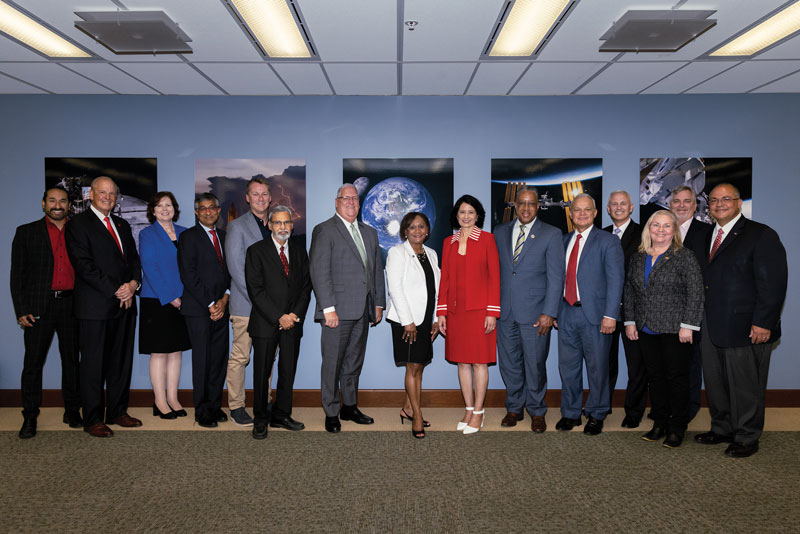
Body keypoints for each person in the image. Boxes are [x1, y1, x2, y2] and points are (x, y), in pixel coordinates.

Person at [694, 183, 787, 458]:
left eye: (726, 199)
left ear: (738, 203)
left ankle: (747, 436)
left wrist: (764, 323)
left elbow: (773, 284)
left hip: (747, 326)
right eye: (714, 200)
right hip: (711, 323)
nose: (719, 204)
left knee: (746, 384)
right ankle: (722, 428)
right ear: (708, 206)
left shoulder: (761, 235)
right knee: (715, 381)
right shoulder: (705, 236)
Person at [66, 176, 142, 438]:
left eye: (112, 193)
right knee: (93, 365)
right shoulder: (77, 224)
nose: (108, 197)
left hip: (125, 304)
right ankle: (93, 418)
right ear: (91, 195)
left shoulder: (121, 224)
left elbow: (133, 260)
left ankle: (118, 411)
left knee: (121, 362)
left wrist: (133, 284)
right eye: (103, 192)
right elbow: (84, 266)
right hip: (95, 307)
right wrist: (117, 289)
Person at [624, 210, 704, 448]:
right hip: (646, 328)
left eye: (667, 226)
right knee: (656, 379)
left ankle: (677, 427)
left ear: (674, 230)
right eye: (656, 225)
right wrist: (630, 321)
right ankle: (659, 423)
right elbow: (629, 291)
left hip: (675, 329)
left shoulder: (684, 256)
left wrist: (688, 325)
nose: (660, 230)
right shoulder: (638, 257)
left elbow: (696, 292)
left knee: (677, 379)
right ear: (649, 228)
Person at [309, 184, 386, 433]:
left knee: (354, 362)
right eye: (346, 198)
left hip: (363, 309)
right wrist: (328, 308)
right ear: (336, 202)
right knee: (332, 363)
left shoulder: (370, 232)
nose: (351, 202)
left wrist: (377, 303)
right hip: (337, 311)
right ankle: (331, 411)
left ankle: (349, 407)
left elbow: (375, 272)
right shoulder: (324, 230)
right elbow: (319, 272)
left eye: (355, 198)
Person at [11, 187, 82, 439]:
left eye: (63, 201)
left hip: (72, 305)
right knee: (33, 364)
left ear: (69, 205)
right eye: (52, 200)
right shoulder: (26, 232)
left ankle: (72, 410)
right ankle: (30, 416)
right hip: (38, 307)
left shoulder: (79, 231)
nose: (57, 205)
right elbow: (17, 276)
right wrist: (21, 310)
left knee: (72, 362)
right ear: (43, 204)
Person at [494, 187, 563, 433]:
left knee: (534, 364)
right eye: (521, 203)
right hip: (505, 312)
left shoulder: (551, 234)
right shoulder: (499, 232)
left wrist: (549, 312)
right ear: (514, 206)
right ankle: (514, 408)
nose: (526, 208)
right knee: (509, 364)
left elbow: (556, 278)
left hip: (536, 314)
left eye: (531, 204)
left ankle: (537, 411)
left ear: (538, 206)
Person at [557, 193, 623, 436]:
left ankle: (597, 413)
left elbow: (616, 280)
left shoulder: (608, 241)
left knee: (597, 368)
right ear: (571, 214)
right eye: (577, 210)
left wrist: (611, 315)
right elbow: (556, 279)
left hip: (595, 315)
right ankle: (571, 413)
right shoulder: (563, 241)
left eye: (587, 210)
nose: (581, 214)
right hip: (565, 313)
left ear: (595, 213)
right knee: (568, 368)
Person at [245, 206, 312, 439]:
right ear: (270, 225)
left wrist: (293, 315)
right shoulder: (256, 251)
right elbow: (255, 290)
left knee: (287, 370)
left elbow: (306, 287)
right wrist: (279, 316)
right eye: (278, 223)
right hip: (266, 322)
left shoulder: (300, 250)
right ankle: (261, 419)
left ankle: (282, 415)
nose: (283, 227)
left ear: (292, 225)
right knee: (262, 373)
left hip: (293, 322)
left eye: (287, 223)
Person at [437, 195, 500, 435]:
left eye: (471, 212)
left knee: (479, 362)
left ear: (478, 216)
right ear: (456, 215)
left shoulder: (487, 239)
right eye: (462, 212)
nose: (466, 216)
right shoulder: (448, 242)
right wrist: (441, 311)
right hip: (455, 312)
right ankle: (468, 407)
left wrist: (492, 312)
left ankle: (480, 412)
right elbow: (445, 280)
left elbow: (495, 277)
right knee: (462, 362)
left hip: (480, 312)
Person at [385, 212, 441, 439]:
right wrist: (408, 321)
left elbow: (437, 289)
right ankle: (417, 415)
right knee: (412, 366)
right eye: (412, 227)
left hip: (426, 318)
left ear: (427, 230)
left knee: (419, 365)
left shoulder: (432, 254)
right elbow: (395, 289)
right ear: (405, 231)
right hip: (406, 321)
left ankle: (407, 408)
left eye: (421, 226)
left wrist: (436, 318)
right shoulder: (397, 253)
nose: (417, 231)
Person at [178, 193, 231, 428]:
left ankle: (214, 405)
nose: (208, 212)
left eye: (212, 208)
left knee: (219, 360)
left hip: (222, 307)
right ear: (197, 212)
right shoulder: (188, 237)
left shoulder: (225, 236)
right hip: (199, 310)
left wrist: (225, 299)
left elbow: (230, 272)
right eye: (203, 208)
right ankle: (201, 410)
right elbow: (189, 275)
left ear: (218, 211)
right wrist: (211, 304)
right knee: (202, 360)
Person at [138, 192, 191, 420]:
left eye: (168, 205)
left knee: (176, 351)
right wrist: (171, 298)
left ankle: (173, 398)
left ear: (174, 208)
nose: (165, 209)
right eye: (160, 205)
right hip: (157, 301)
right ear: (153, 210)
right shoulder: (147, 234)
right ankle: (159, 401)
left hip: (183, 300)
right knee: (159, 353)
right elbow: (150, 269)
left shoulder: (185, 233)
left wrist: (185, 298)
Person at [224, 177, 272, 427]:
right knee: (241, 357)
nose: (261, 198)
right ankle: (236, 405)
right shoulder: (237, 227)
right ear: (247, 197)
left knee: (268, 358)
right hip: (247, 306)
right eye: (256, 194)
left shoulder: (276, 225)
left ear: (270, 196)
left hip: (271, 309)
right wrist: (261, 301)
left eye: (264, 194)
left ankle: (264, 402)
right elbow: (236, 269)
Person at [602, 190, 646, 428]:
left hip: (634, 311)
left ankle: (634, 411)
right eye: (614, 204)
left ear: (631, 208)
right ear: (608, 209)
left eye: (623, 204)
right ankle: (602, 405)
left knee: (636, 364)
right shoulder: (601, 235)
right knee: (604, 362)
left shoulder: (644, 234)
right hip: (606, 310)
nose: (618, 207)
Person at [668, 184, 712, 421]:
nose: (681, 206)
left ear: (695, 206)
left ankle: (688, 410)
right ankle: (668, 409)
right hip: (664, 312)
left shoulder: (707, 232)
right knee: (668, 365)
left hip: (693, 310)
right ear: (669, 205)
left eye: (687, 202)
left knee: (691, 362)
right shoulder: (660, 231)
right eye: (677, 201)